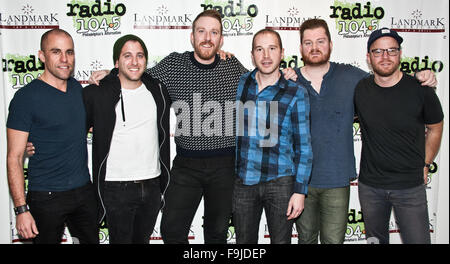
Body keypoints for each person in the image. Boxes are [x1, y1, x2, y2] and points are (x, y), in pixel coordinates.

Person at [89, 10, 297, 244]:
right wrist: (112, 73)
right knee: (171, 230)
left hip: (225, 166)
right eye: (202, 31)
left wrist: (287, 73)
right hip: (186, 165)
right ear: (192, 36)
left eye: (214, 32)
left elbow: (263, 79)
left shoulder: (232, 67)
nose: (207, 37)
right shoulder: (173, 65)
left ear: (221, 40)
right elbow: (137, 75)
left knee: (217, 232)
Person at [293, 19, 438, 244]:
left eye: (320, 41)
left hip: (343, 180)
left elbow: (433, 124)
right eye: (308, 42)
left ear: (330, 44)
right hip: (306, 180)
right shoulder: (289, 80)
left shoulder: (353, 77)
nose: (315, 47)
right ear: (300, 48)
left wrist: (424, 75)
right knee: (306, 240)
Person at [6, 29, 98, 244]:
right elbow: (14, 157)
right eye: (56, 52)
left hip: (83, 192)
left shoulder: (79, 90)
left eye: (69, 52)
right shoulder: (25, 98)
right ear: (42, 56)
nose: (65, 59)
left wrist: (107, 74)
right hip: (45, 197)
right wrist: (21, 210)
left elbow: (91, 125)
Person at [354, 28, 444, 244]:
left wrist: (426, 163)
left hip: (410, 187)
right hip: (370, 189)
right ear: (369, 57)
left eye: (391, 50)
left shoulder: (421, 90)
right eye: (378, 52)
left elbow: (436, 128)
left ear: (400, 54)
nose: (385, 57)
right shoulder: (360, 90)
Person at [82, 35, 171, 243]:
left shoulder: (157, 90)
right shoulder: (98, 93)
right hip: (116, 188)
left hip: (151, 185)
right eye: (127, 56)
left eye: (140, 56)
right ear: (116, 62)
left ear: (146, 61)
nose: (134, 62)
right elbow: (73, 131)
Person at [233, 29, 312, 244]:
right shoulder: (241, 83)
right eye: (259, 49)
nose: (266, 56)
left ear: (282, 53)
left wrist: (300, 191)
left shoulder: (295, 92)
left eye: (272, 49)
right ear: (252, 55)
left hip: (280, 182)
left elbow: (304, 146)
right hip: (244, 181)